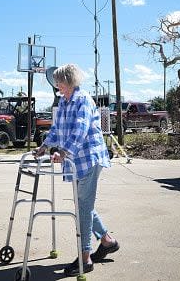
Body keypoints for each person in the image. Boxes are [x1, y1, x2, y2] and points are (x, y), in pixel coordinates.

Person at [35, 63, 119, 277]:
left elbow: (80, 130)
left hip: (89, 158)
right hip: (77, 160)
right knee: (84, 204)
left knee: (82, 206)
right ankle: (108, 241)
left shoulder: (83, 100)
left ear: (70, 81)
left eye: (59, 82)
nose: (57, 86)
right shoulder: (64, 102)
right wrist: (45, 145)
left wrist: (63, 152)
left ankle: (85, 258)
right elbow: (57, 129)